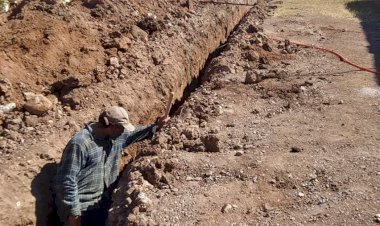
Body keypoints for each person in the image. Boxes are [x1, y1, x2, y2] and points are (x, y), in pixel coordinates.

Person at [53, 106, 169, 226]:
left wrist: (156, 126)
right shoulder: (80, 144)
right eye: (121, 128)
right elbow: (66, 180)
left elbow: (135, 134)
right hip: (82, 208)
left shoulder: (115, 137)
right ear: (110, 126)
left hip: (104, 202)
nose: (124, 132)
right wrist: (74, 214)